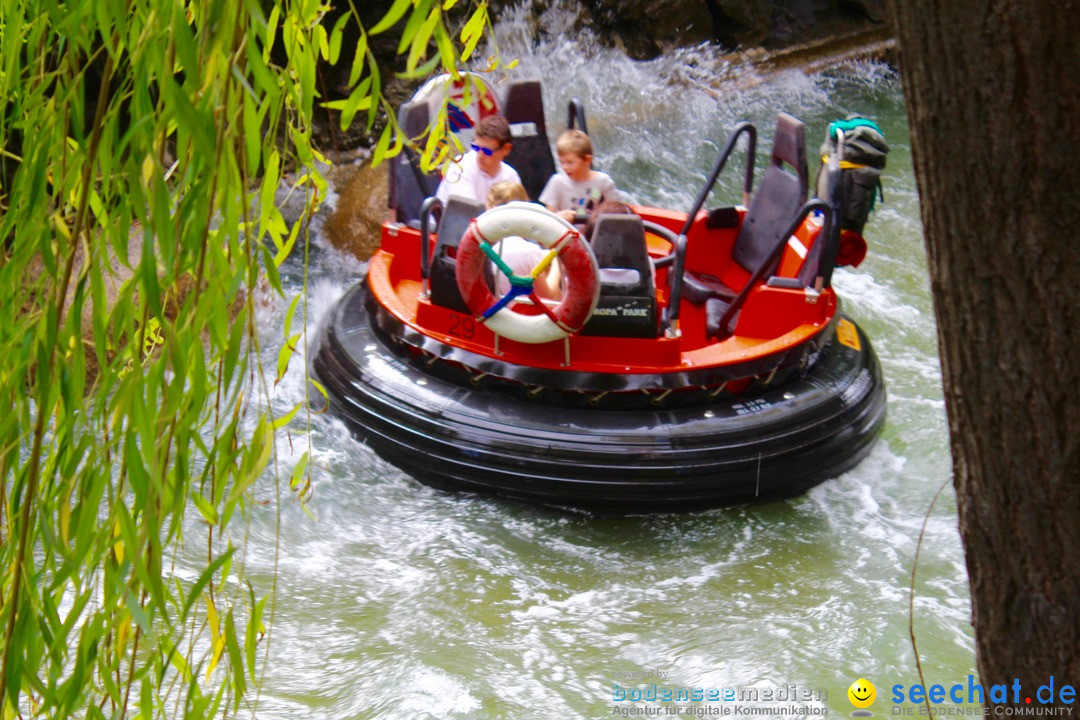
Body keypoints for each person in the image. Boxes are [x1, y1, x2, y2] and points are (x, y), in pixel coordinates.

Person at [484, 181, 562, 301]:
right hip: (525, 313)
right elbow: (548, 296)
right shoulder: (529, 251)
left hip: (494, 309)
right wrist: (558, 261)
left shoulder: (483, 248)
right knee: (558, 291)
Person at [435, 115, 521, 206]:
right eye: (476, 147)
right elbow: (466, 213)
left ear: (506, 149)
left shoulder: (511, 176)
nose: (480, 155)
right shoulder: (460, 168)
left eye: (487, 151)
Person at [539, 129, 619, 222]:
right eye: (562, 162)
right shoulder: (557, 182)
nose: (565, 167)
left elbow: (617, 212)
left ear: (587, 159)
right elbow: (549, 217)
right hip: (566, 232)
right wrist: (559, 216)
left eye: (570, 162)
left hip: (594, 232)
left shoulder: (603, 182)